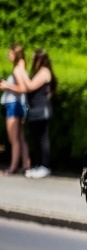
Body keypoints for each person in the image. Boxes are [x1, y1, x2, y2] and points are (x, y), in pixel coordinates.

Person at [13, 49, 56, 179]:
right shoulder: (39, 72)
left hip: (41, 111)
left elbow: (30, 86)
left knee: (42, 139)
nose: (32, 62)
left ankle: (45, 166)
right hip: (34, 110)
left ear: (40, 59)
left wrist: (22, 71)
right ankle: (38, 165)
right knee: (36, 139)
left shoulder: (44, 72)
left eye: (34, 59)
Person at [0, 44, 29, 175]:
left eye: (10, 53)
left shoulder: (17, 70)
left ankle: (13, 167)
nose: (8, 55)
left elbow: (22, 88)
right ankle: (25, 164)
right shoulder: (20, 68)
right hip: (18, 104)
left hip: (13, 104)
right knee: (20, 138)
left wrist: (7, 86)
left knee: (14, 139)